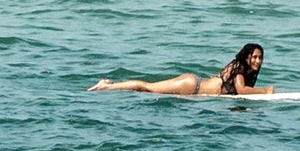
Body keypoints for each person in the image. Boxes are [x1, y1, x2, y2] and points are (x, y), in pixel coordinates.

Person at [94, 43, 265, 97]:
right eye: (254, 57)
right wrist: (266, 91)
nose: (257, 60)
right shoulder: (239, 67)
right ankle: (107, 86)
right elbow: (242, 90)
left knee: (147, 90)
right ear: (246, 57)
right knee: (147, 87)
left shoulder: (246, 71)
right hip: (192, 86)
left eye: (260, 57)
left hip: (194, 88)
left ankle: (111, 85)